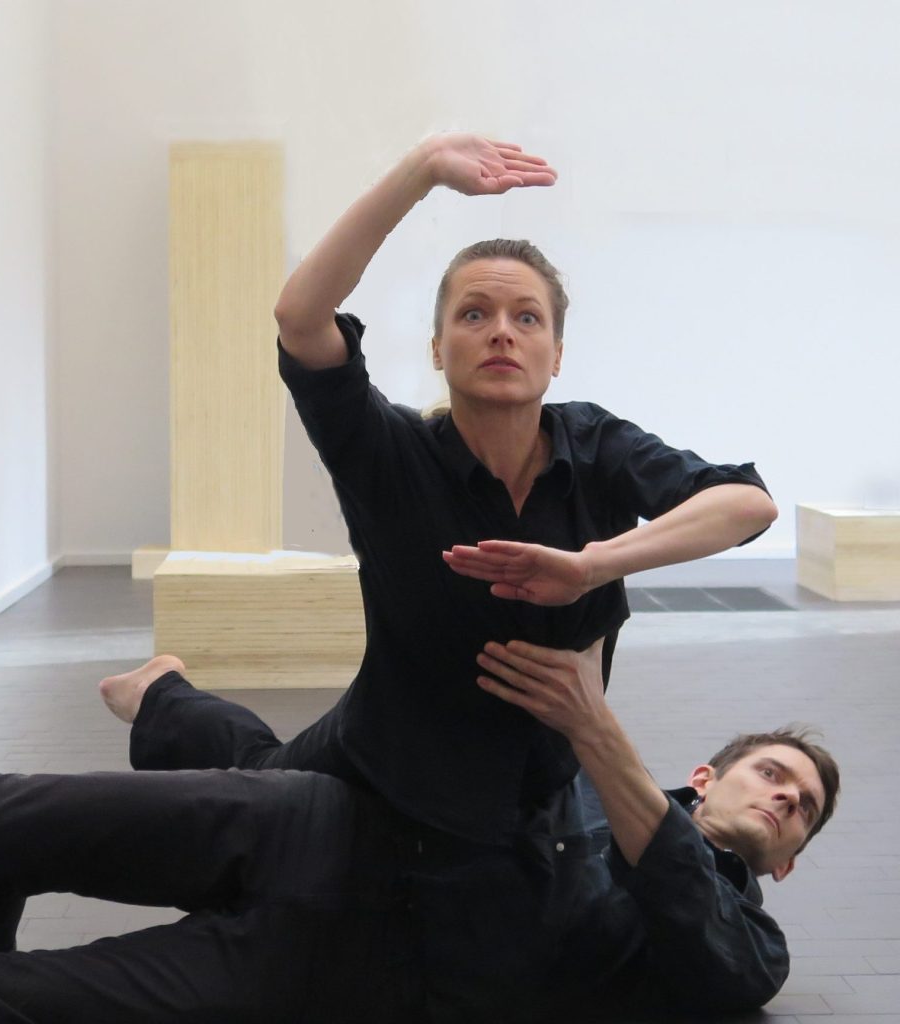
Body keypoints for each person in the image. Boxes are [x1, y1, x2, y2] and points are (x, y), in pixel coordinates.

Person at [109, 133, 779, 844]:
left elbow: (748, 504)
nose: (501, 334)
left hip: (537, 789)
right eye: (473, 315)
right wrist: (420, 171)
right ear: (436, 348)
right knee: (258, 771)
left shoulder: (597, 446)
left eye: (527, 318)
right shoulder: (387, 454)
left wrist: (592, 566)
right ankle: (160, 690)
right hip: (382, 769)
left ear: (557, 354)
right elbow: (300, 319)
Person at [0, 646, 840, 1022]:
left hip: (343, 972)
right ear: (706, 775)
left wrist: (597, 731)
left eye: (802, 805)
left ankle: (164, 699)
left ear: (788, 864)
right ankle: (165, 703)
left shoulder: (751, 941)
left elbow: (711, 955)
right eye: (773, 772)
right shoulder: (575, 769)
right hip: (322, 830)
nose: (786, 796)